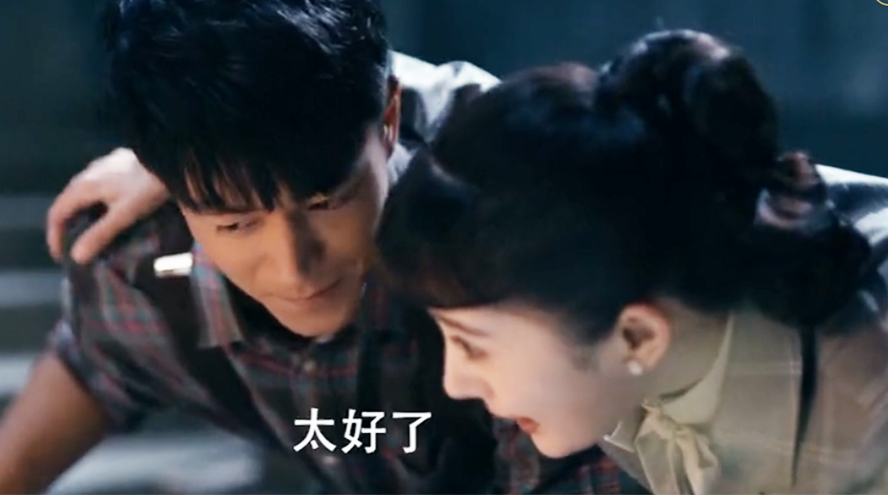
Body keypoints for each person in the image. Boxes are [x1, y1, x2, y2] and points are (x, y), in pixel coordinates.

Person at [0, 0, 633, 494]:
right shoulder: (146, 254)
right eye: (236, 222)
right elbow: (84, 377)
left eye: (328, 201)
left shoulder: (513, 213)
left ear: (388, 119)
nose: (294, 267)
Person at [373, 30, 888, 494]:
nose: (455, 382)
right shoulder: (625, 342)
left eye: (472, 344)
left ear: (637, 337)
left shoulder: (866, 391)